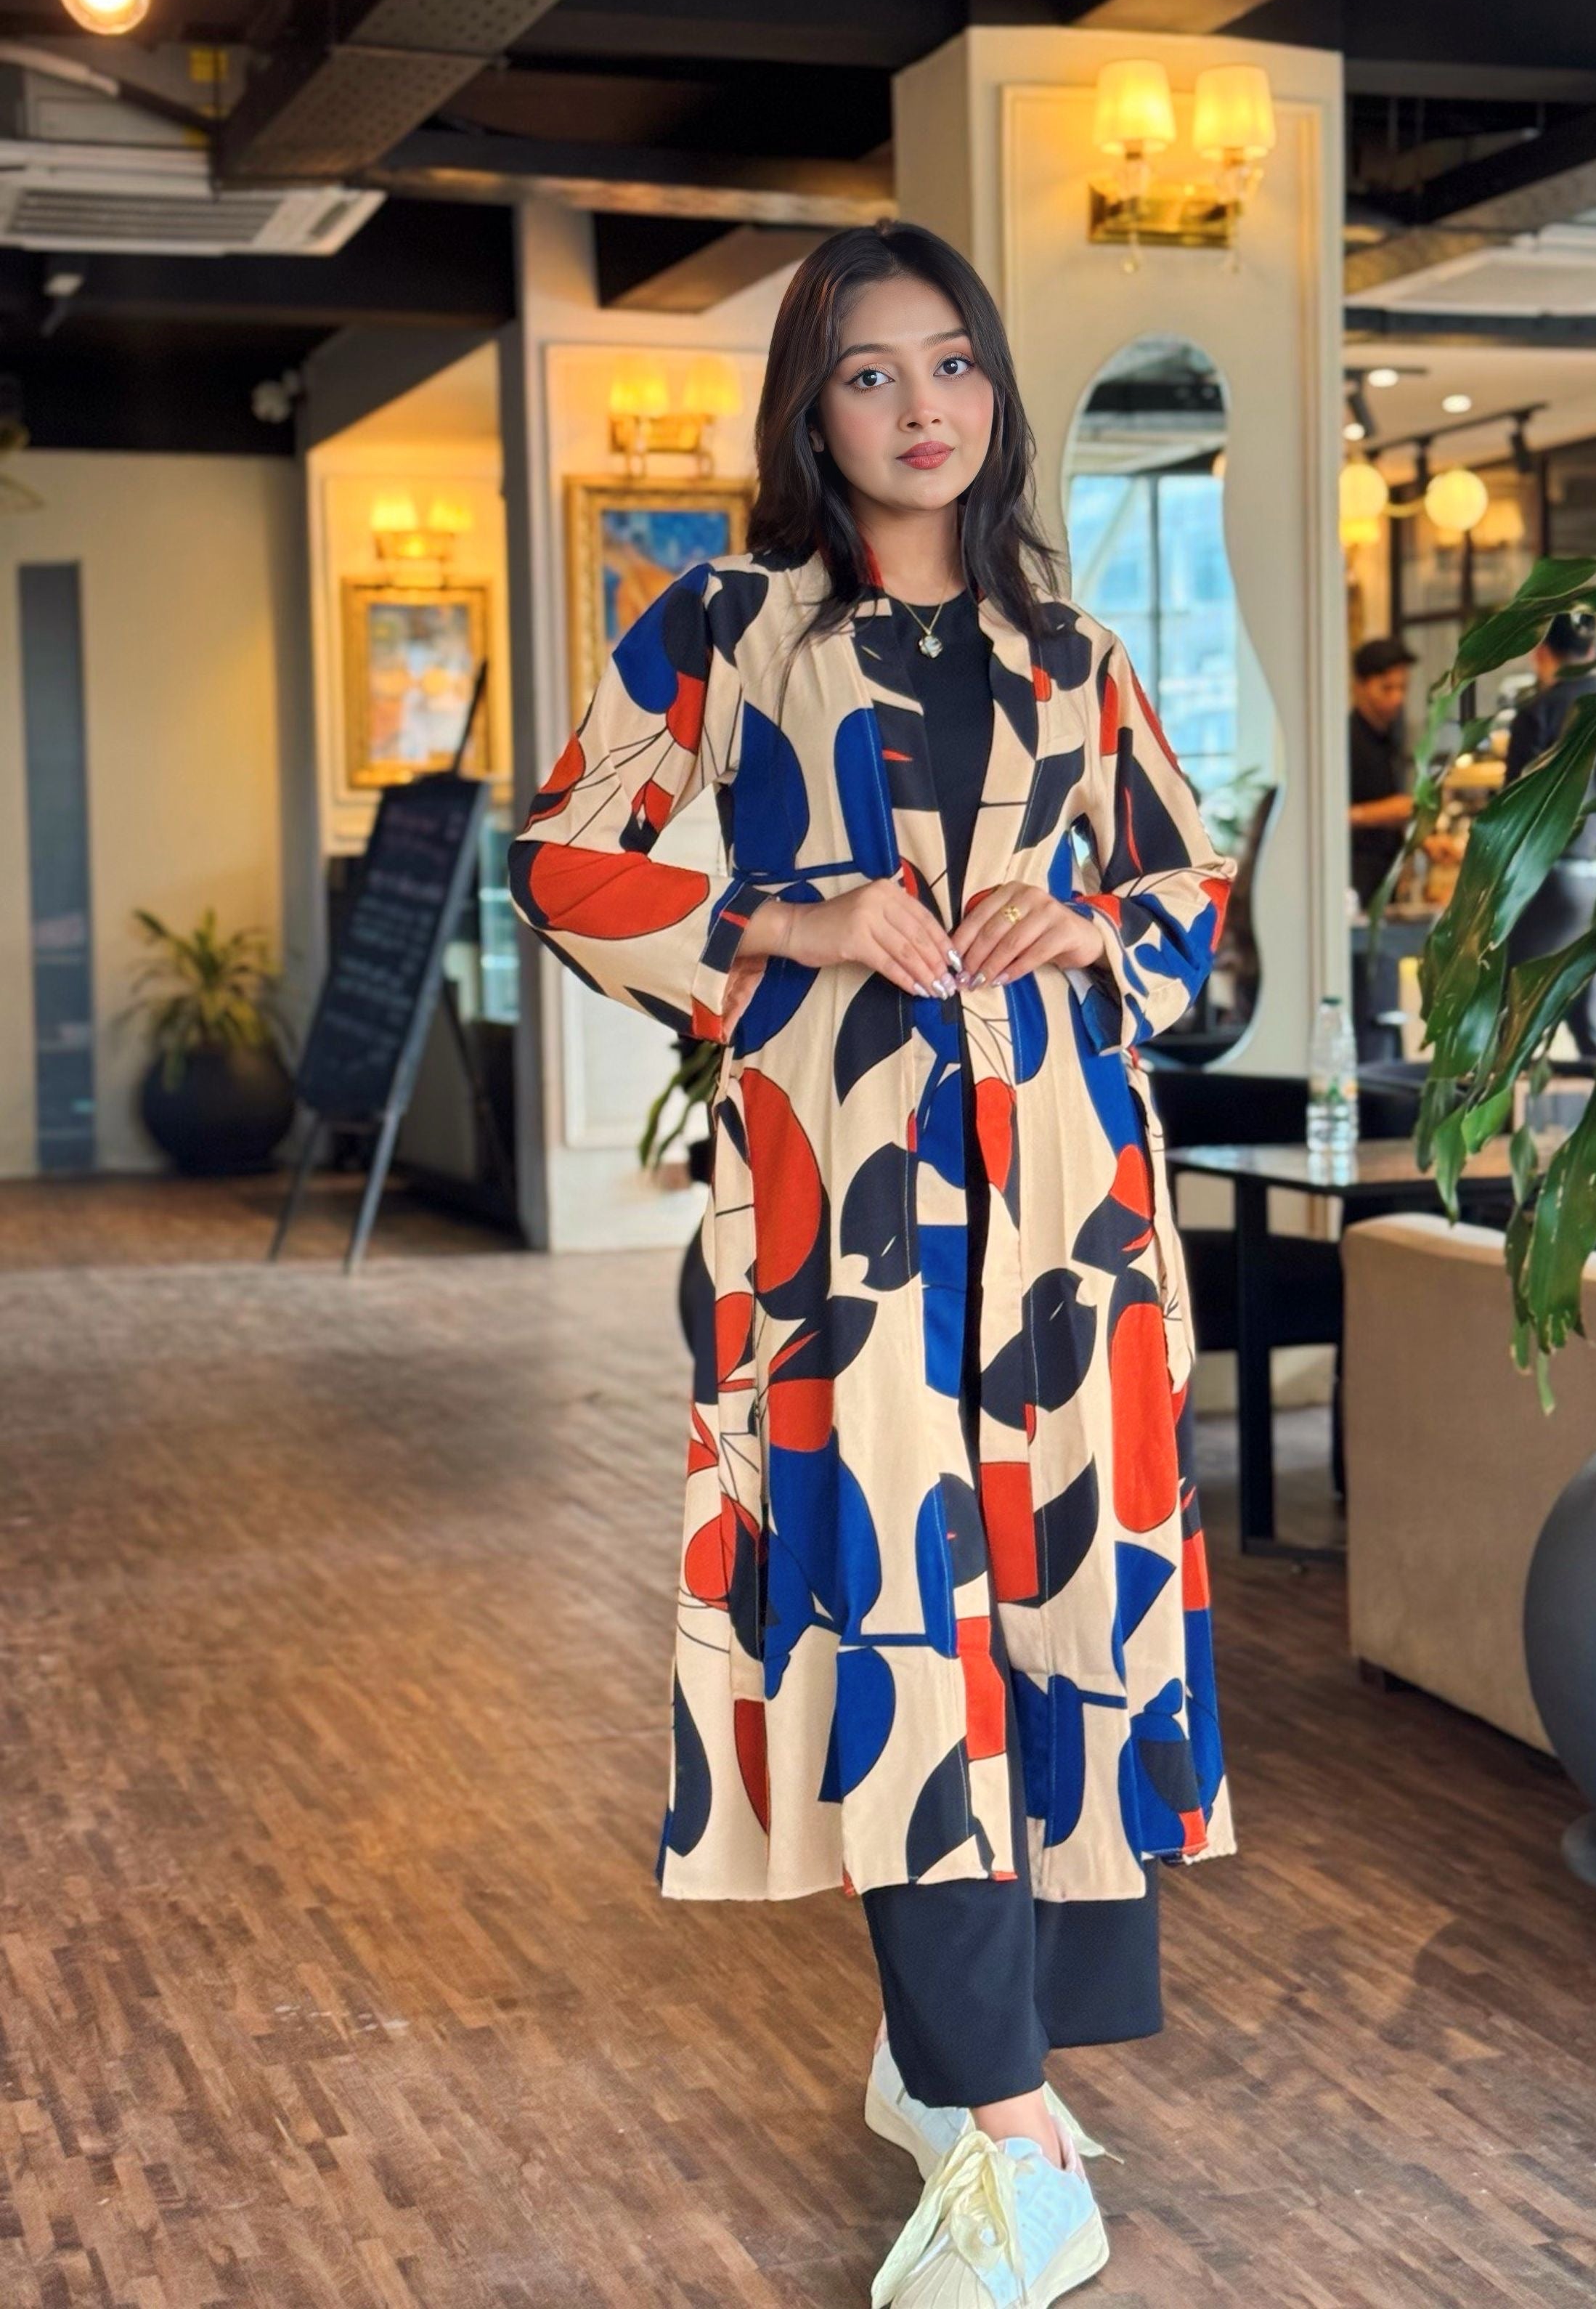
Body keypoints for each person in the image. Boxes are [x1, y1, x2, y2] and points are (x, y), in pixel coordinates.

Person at [508, 219, 1239, 2308]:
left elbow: (1192, 891)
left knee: (1066, 1620)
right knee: (904, 1627)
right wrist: (795, 923)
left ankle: (969, 2070)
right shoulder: (728, 624)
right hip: (855, 1231)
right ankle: (1010, 2135)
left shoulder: (1072, 651)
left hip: (1074, 1227)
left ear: (992, 394)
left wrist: (1092, 922)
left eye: (952, 365)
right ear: (810, 412)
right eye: (866, 371)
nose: (921, 405)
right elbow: (572, 853)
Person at [1502, 609, 1596, 1064]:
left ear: (1542, 655)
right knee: (1595, 1028)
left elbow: (1514, 814)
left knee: (1508, 1018)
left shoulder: (1539, 712)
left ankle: (1493, 1124)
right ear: (1594, 651)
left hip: (1557, 884)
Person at [1346, 636, 1420, 910]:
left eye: (1402, 688)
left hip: (1385, 881)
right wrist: (1384, 811)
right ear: (1359, 687)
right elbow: (1327, 818)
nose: (1397, 698)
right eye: (1386, 688)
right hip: (1353, 879)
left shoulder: (1390, 739)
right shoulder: (1344, 742)